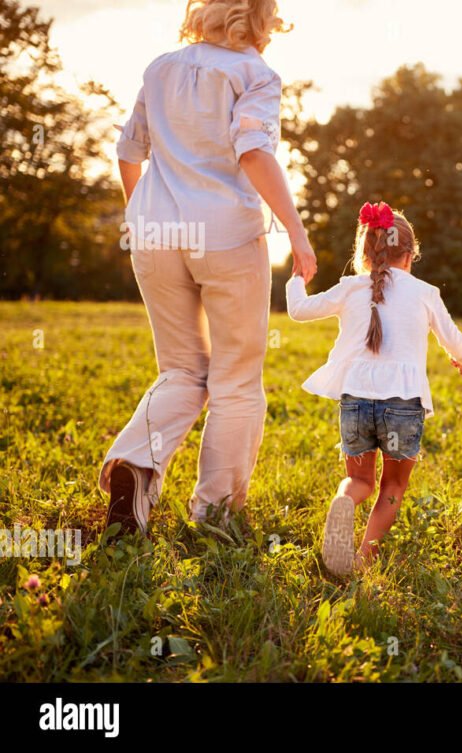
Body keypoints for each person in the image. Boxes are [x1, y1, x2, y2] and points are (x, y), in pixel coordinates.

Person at [100, 0, 317, 537]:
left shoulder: (160, 67)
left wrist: (139, 212)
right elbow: (253, 150)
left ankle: (135, 463)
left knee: (180, 371)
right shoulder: (256, 74)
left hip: (154, 234)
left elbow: (129, 149)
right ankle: (214, 512)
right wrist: (296, 229)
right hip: (225, 236)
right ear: (263, 19)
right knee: (235, 378)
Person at [287, 202, 462, 576]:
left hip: (356, 399)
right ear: (409, 256)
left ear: (365, 252)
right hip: (403, 405)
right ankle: (363, 556)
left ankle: (344, 501)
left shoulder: (349, 288)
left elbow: (299, 310)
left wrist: (297, 277)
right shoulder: (425, 292)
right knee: (392, 487)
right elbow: (454, 340)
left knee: (359, 480)